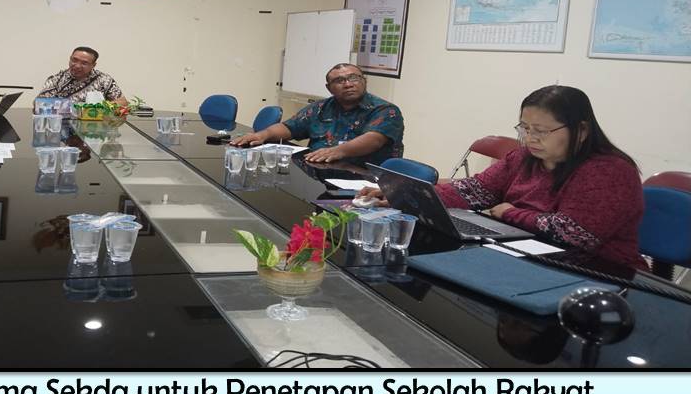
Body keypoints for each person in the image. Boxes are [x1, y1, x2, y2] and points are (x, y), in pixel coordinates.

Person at [357, 85, 646, 268]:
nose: (530, 138)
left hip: (597, 272)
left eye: (541, 131)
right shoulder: (522, 157)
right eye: (525, 128)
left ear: (581, 131)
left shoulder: (609, 170)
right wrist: (405, 194)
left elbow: (576, 233)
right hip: (528, 256)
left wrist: (511, 214)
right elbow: (474, 190)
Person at [231, 62, 404, 165]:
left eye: (354, 78)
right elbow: (289, 127)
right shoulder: (320, 107)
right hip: (320, 170)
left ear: (364, 81)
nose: (348, 84)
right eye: (339, 80)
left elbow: (373, 140)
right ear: (329, 88)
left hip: (364, 180)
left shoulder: (385, 110)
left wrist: (338, 151)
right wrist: (261, 135)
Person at [36, 46, 128, 105]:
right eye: (74, 60)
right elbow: (39, 103)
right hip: (61, 126)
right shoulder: (56, 79)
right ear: (70, 59)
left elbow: (122, 102)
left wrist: (97, 109)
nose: (77, 66)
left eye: (84, 63)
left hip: (94, 126)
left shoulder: (104, 80)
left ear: (93, 65)